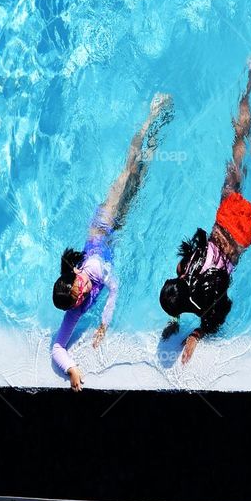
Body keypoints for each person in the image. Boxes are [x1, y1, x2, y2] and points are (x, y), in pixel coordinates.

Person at [159, 50, 251, 364]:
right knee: (237, 147)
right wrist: (174, 318)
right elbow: (183, 274)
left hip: (241, 235)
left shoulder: (203, 302)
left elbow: (221, 314)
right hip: (224, 217)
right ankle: (249, 80)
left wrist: (195, 333)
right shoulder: (184, 270)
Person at [52, 92, 173, 390]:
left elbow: (114, 285)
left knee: (128, 169)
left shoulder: (91, 269)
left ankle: (150, 116)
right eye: (78, 298)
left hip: (104, 222)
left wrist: (105, 323)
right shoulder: (75, 307)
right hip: (114, 233)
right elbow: (57, 348)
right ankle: (157, 132)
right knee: (141, 178)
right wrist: (72, 370)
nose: (82, 296)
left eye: (79, 291)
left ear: (75, 278)